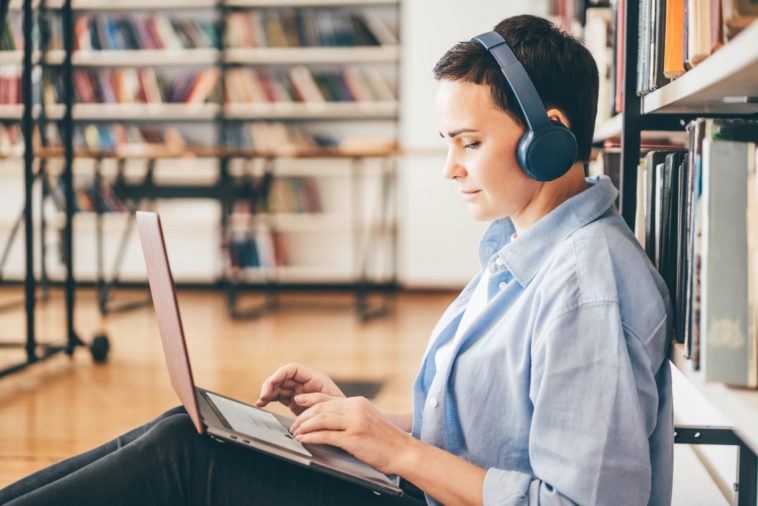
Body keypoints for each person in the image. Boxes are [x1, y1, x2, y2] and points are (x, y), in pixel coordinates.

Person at [0, 14, 672, 506]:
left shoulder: (588, 289)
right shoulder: (526, 248)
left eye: (468, 142)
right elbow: (492, 434)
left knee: (182, 456)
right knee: (188, 427)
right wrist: (359, 421)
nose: (450, 168)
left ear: (548, 142)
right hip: (420, 488)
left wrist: (398, 450)